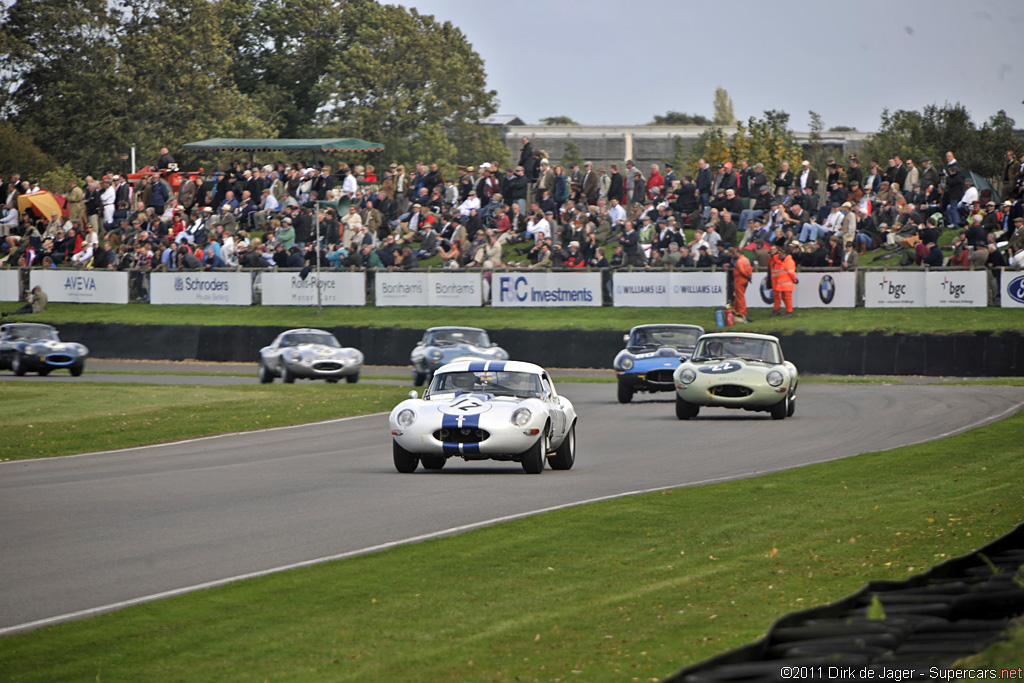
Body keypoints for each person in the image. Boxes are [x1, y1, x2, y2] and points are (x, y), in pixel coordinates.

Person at [768, 242, 798, 317]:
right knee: (785, 298)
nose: (779, 255)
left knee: (787, 298)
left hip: (786, 284)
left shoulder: (788, 262)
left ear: (785, 254)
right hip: (783, 284)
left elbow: (791, 273)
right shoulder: (784, 261)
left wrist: (794, 280)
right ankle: (788, 312)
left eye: (781, 253)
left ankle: (789, 312)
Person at [730, 247, 752, 323]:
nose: (735, 254)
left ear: (738, 253)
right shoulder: (746, 259)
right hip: (745, 280)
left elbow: (741, 270)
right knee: (738, 295)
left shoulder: (739, 260)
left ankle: (743, 313)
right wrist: (749, 276)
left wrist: (746, 275)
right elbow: (750, 269)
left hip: (739, 280)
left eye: (736, 252)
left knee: (740, 296)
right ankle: (735, 310)